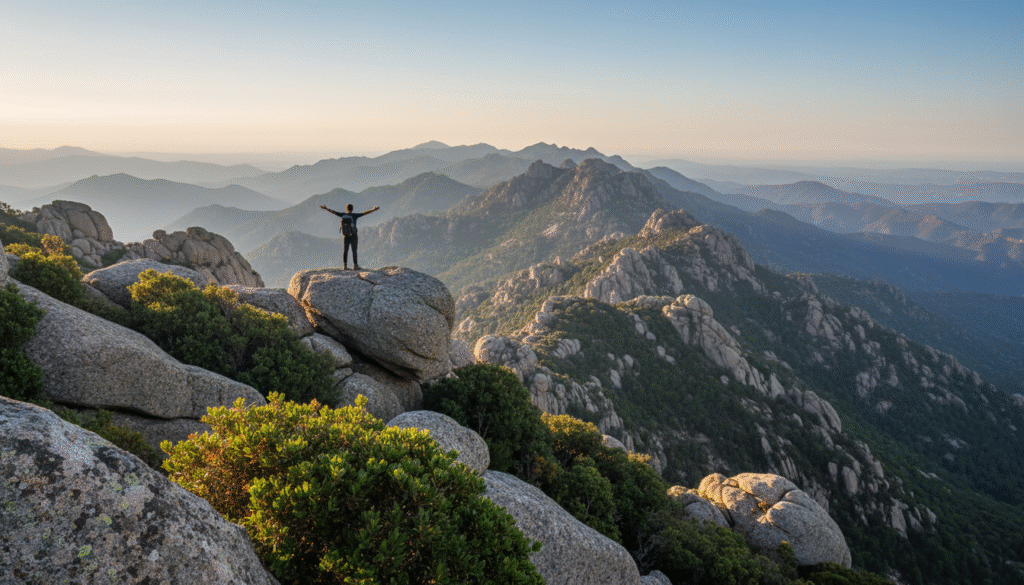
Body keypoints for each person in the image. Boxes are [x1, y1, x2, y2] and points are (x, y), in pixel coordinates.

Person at [320, 203, 380, 270]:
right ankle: (355, 265)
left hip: (345, 236)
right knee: (354, 250)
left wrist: (326, 208)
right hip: (353, 235)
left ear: (346, 209)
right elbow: (364, 213)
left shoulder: (343, 215)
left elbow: (334, 212)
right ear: (352, 209)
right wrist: (374, 209)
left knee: (345, 251)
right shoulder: (354, 215)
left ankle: (345, 266)